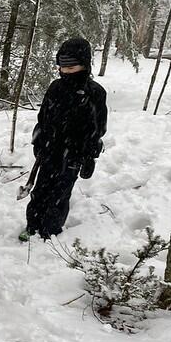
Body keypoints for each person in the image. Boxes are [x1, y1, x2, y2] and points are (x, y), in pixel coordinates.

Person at [20, 37, 108, 241]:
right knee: (41, 190)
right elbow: (43, 118)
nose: (66, 71)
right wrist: (38, 140)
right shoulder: (55, 88)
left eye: (72, 66)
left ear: (84, 65)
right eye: (62, 66)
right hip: (50, 150)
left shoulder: (94, 93)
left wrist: (89, 156)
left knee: (60, 193)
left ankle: (50, 230)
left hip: (74, 155)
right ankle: (32, 225)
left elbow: (97, 129)